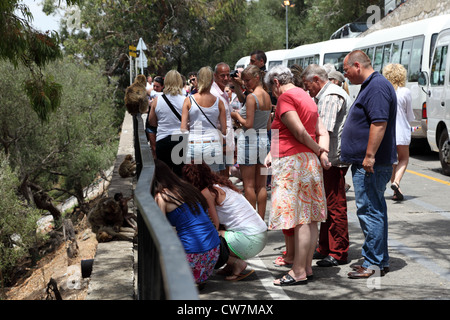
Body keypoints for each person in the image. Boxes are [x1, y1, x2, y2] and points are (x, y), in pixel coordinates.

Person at [263, 65, 330, 286]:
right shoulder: (306, 96)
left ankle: (298, 270)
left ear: (276, 83)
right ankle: (306, 266)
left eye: (272, 89)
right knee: (309, 219)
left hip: (294, 163)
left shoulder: (285, 98)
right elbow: (319, 131)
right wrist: (319, 152)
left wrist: (318, 150)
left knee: (300, 218)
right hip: (306, 163)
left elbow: (299, 133)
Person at [341, 50, 397, 279]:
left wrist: (369, 155)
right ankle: (378, 260)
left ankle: (373, 263)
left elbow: (379, 122)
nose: (346, 77)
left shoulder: (376, 86)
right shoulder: (373, 85)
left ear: (357, 65)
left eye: (346, 71)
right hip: (369, 163)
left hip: (371, 165)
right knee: (375, 210)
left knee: (370, 211)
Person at [302, 64, 351, 267]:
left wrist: (318, 154)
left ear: (316, 79)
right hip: (329, 156)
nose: (308, 90)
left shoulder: (331, 96)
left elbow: (325, 130)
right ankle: (325, 247)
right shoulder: (327, 94)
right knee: (327, 204)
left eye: (308, 85)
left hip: (333, 158)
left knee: (334, 204)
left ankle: (338, 251)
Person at [182, 163, 267, 281]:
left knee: (205, 237)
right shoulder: (221, 185)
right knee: (218, 232)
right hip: (260, 235)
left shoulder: (207, 192)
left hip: (249, 240)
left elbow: (214, 224)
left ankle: (236, 263)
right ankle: (230, 265)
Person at [150, 159, 220, 286]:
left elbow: (160, 230)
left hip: (194, 256)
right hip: (213, 253)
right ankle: (196, 279)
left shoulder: (162, 197)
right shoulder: (185, 187)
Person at [230, 65, 272, 220]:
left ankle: (252, 221)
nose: (245, 83)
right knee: (261, 185)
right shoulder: (267, 96)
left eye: (247, 80)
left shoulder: (251, 97)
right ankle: (261, 220)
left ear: (256, 78)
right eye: (244, 80)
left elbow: (248, 124)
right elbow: (268, 125)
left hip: (249, 141)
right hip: (263, 140)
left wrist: (236, 116)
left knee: (248, 185)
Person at [181, 66, 227, 173]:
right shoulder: (219, 102)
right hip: (213, 144)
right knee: (212, 182)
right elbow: (224, 130)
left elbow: (183, 128)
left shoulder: (188, 100)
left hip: (193, 143)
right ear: (212, 81)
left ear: (198, 80)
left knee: (193, 182)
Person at [383, 63, 414, 201]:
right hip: (401, 130)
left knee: (392, 161)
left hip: (387, 132)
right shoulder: (405, 91)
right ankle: (396, 182)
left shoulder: (384, 90)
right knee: (404, 158)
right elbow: (410, 115)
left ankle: (396, 189)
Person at [147, 70, 185, 176]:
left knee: (164, 176)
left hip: (163, 140)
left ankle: (165, 192)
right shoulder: (186, 100)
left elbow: (152, 122)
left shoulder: (157, 100)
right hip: (180, 141)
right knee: (179, 175)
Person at [211, 62, 235, 176]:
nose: (226, 78)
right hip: (220, 142)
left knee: (225, 178)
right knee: (220, 179)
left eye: (227, 75)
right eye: (222, 76)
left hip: (227, 142)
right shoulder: (214, 94)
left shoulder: (224, 93)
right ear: (215, 76)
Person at [145, 76, 164, 142]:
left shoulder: (164, 95)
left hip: (161, 126)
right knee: (153, 148)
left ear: (162, 86)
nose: (155, 88)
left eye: (157, 86)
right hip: (150, 125)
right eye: (154, 86)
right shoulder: (153, 92)